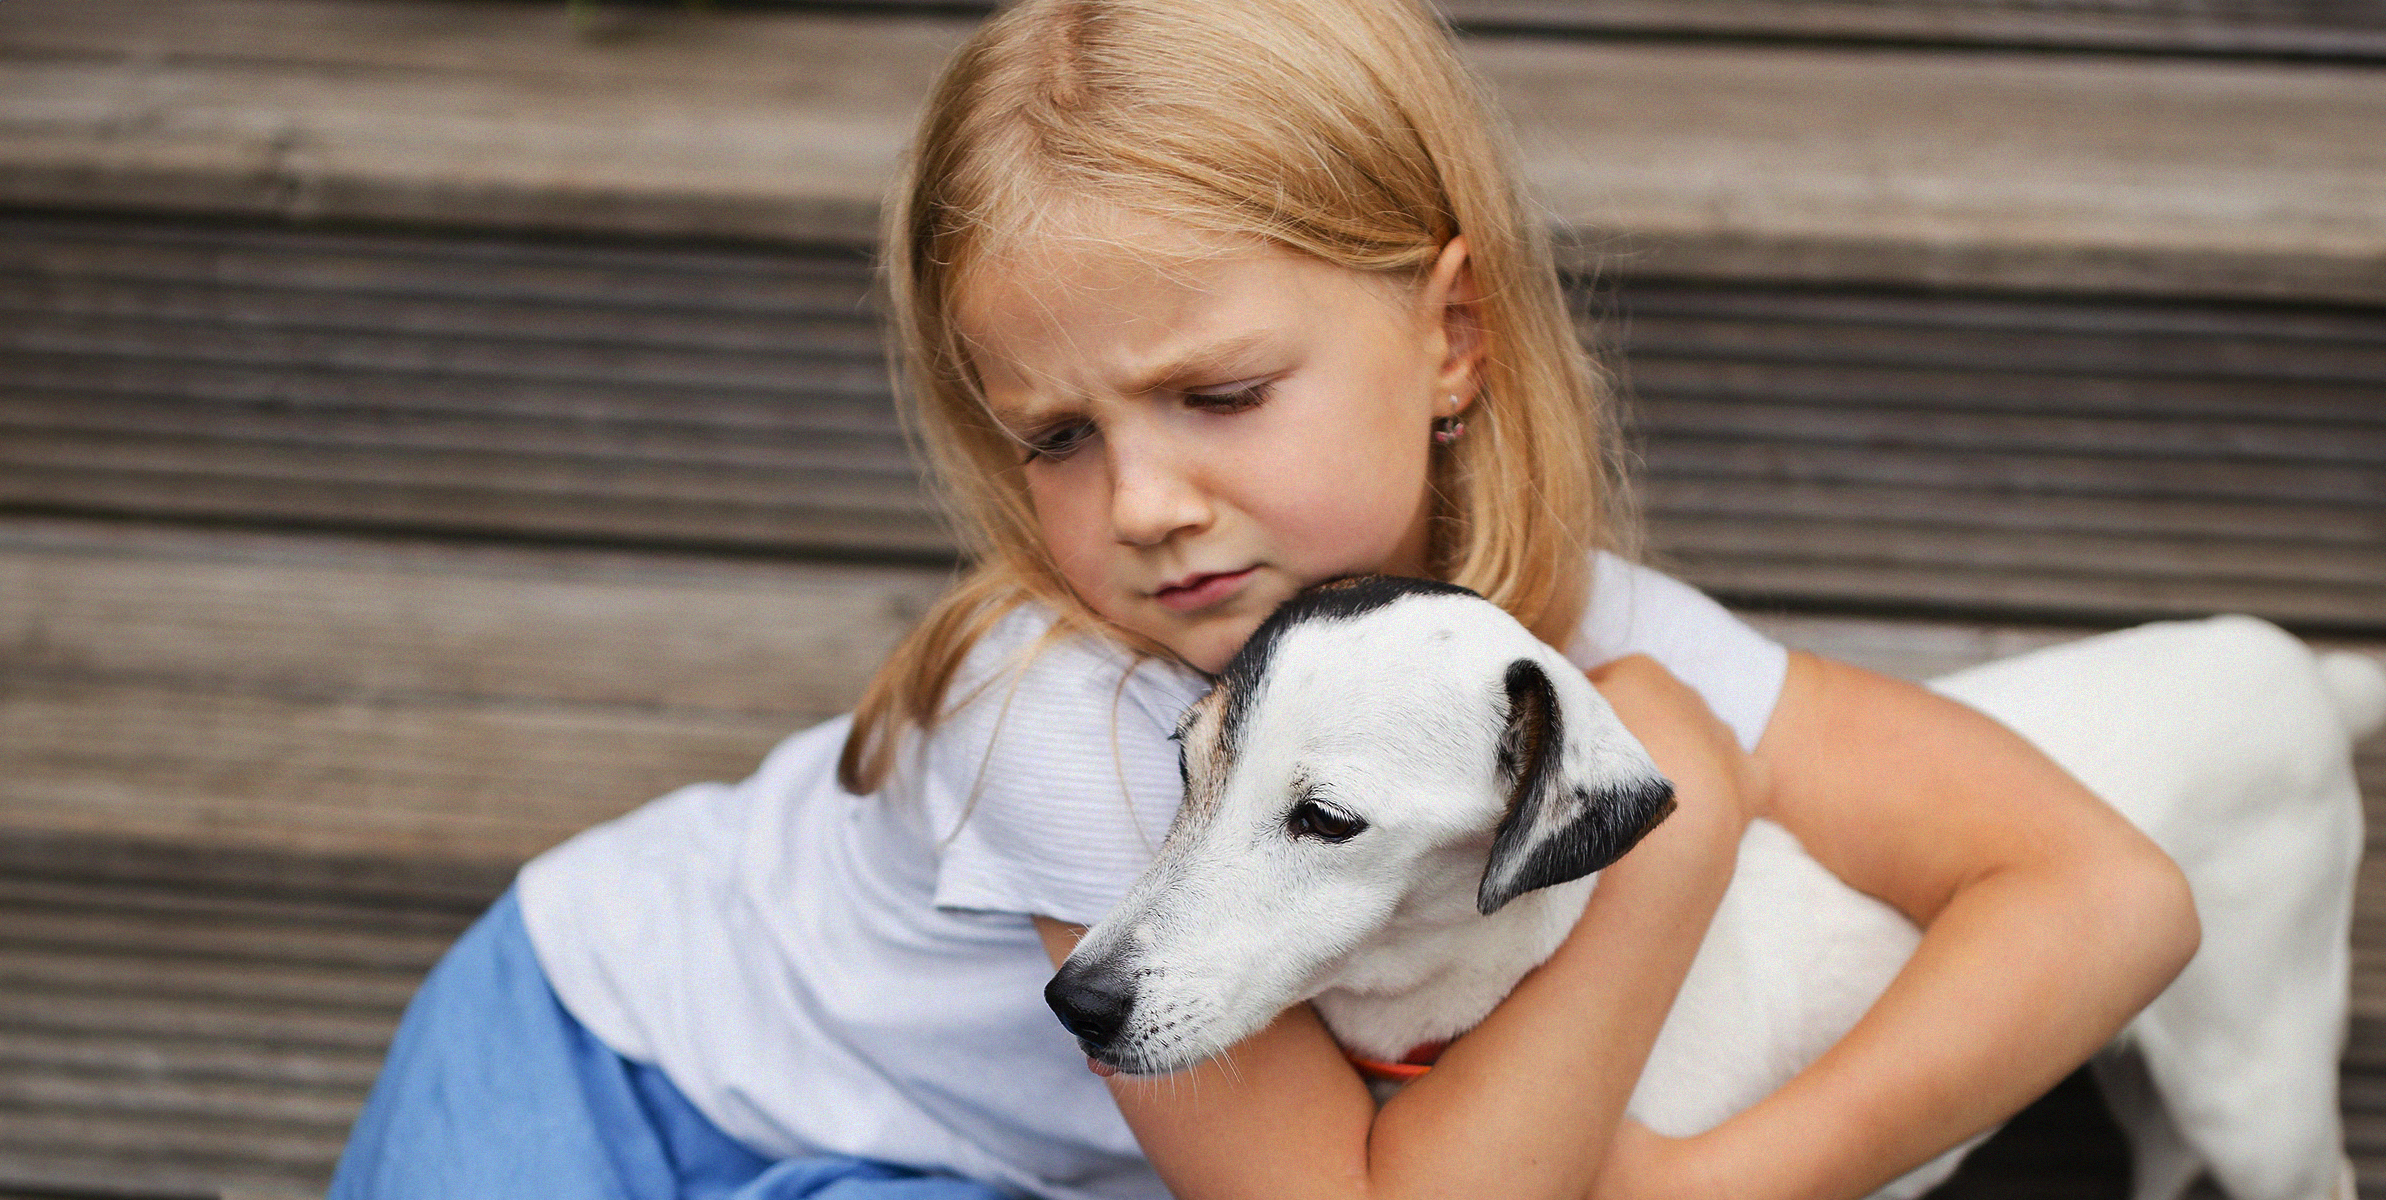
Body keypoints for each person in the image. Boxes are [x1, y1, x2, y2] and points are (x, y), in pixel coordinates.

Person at [330, 0, 2201, 1197]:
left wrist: (1746, 1180)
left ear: (1448, 335)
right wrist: (1676, 847)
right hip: (620, 1084)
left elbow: (2101, 892)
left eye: (1220, 394)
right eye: (1054, 435)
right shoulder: (1071, 716)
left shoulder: (1558, 654)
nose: (1142, 505)